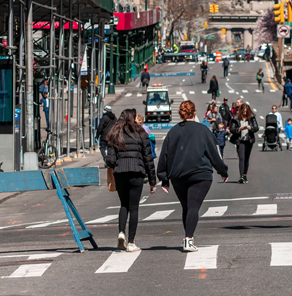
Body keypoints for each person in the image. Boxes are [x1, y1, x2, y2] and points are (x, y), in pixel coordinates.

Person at [157, 101, 228, 252]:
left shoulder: (173, 132)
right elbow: (214, 153)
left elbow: (164, 155)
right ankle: (188, 239)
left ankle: (188, 236)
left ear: (181, 114)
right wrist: (223, 171)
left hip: (178, 175)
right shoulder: (203, 130)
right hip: (200, 173)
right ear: (194, 113)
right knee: (193, 206)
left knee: (187, 207)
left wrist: (164, 178)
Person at [105, 108, 156, 252]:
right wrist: (153, 181)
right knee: (134, 208)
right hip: (137, 173)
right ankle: (131, 242)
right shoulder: (141, 133)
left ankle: (121, 233)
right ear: (133, 118)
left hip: (120, 173)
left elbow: (110, 160)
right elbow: (148, 158)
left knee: (123, 205)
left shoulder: (115, 133)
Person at [229, 103, 259, 183]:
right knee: (241, 157)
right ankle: (241, 176)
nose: (245, 113)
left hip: (249, 140)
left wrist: (251, 128)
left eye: (246, 112)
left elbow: (256, 128)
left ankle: (245, 174)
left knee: (246, 158)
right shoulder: (235, 118)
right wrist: (239, 129)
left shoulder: (251, 117)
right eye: (243, 112)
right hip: (240, 140)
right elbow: (232, 129)